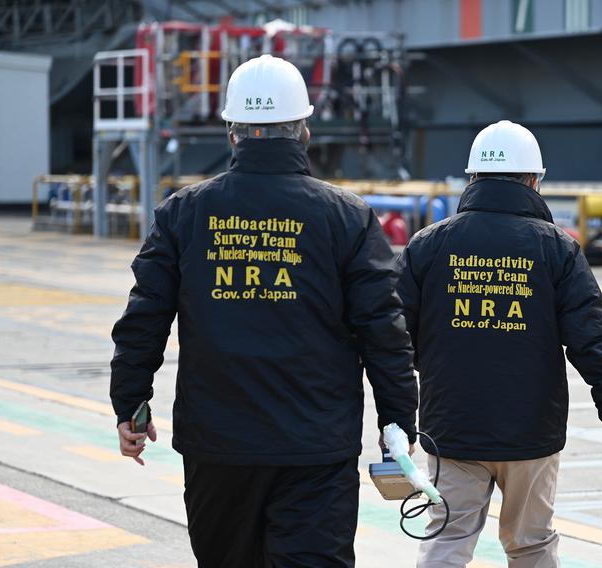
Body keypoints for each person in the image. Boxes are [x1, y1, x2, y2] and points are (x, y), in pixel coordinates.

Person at [110, 54, 418, 568]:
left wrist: (130, 403)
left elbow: (146, 317)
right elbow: (383, 330)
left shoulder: (185, 212)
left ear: (233, 133)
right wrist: (397, 422)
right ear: (304, 130)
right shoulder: (347, 217)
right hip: (315, 447)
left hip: (218, 446)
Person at [397, 120, 602, 568]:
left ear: (472, 179)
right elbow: (590, 339)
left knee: (446, 541)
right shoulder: (557, 249)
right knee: (531, 544)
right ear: (534, 180)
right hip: (530, 431)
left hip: (452, 427)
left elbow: (392, 335)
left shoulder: (428, 246)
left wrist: (410, 400)